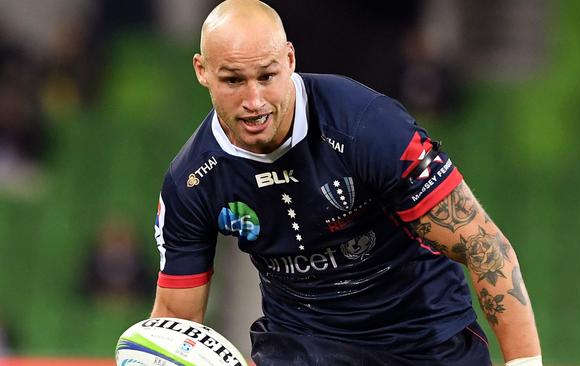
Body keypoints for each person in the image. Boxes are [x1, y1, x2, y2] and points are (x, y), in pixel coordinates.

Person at [150, 0, 543, 365]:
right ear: (202, 71)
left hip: (423, 341)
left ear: (289, 59)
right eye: (234, 80)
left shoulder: (367, 126)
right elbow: (176, 322)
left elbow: (484, 247)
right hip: (302, 347)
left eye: (267, 76)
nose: (255, 100)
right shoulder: (191, 181)